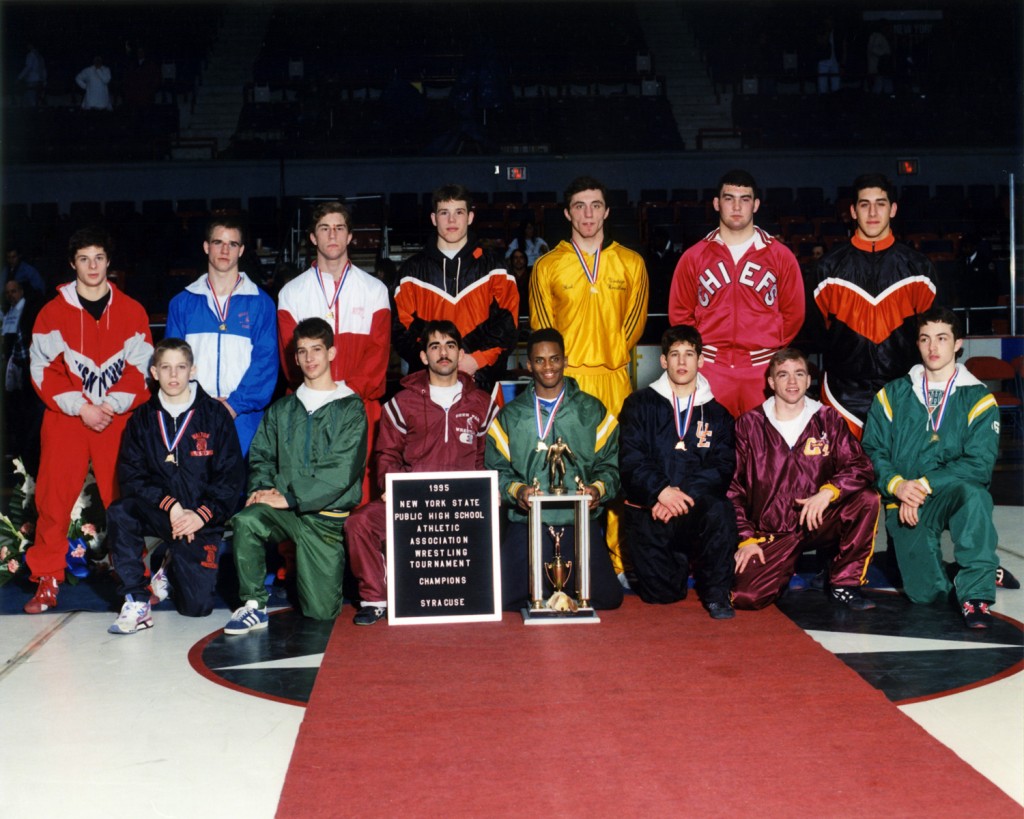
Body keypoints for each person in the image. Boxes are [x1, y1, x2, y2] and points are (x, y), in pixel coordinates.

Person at [23, 227, 153, 613]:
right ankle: (47, 578)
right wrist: (82, 407)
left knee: (124, 500)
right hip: (67, 419)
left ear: (108, 261)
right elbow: (41, 368)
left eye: (98, 257)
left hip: (116, 419)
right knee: (53, 497)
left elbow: (142, 369)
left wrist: (109, 405)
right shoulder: (52, 312)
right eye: (84, 259)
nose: (92, 266)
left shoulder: (132, 310)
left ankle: (133, 574)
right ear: (72, 263)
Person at [529, 175, 649, 580]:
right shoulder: (547, 266)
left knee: (615, 470)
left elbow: (633, 327)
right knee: (559, 471)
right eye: (579, 206)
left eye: (595, 205)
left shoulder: (631, 263)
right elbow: (543, 332)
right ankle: (559, 566)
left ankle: (617, 563)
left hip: (615, 378)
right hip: (567, 382)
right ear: (567, 213)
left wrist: (609, 354)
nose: (587, 214)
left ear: (607, 211)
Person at [344, 320, 498, 625]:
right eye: (435, 346)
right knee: (358, 524)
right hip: (414, 503)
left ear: (460, 353)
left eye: (450, 345)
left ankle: (477, 592)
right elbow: (386, 453)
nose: (443, 352)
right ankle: (375, 598)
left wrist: (492, 493)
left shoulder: (482, 403)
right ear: (424, 356)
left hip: (463, 507)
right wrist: (389, 484)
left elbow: (488, 460)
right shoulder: (402, 403)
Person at [862, 307, 1003, 628]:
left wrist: (923, 485)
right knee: (926, 594)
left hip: (949, 493)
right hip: (904, 501)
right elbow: (872, 450)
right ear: (918, 344)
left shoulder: (979, 399)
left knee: (975, 497)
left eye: (942, 339)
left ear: (957, 344)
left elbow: (978, 466)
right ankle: (961, 571)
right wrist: (897, 486)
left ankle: (977, 595)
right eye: (925, 339)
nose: (933, 348)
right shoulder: (893, 394)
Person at [224, 318, 367, 633]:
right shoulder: (283, 408)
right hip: (285, 513)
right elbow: (261, 455)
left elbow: (341, 471)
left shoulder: (350, 408)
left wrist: (289, 497)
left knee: (321, 614)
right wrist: (260, 489)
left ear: (331, 352)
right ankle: (253, 605)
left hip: (326, 520)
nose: (310, 358)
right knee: (247, 519)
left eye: (317, 349)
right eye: (302, 351)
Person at [106, 339, 245, 634]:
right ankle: (137, 599)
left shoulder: (215, 415)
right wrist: (169, 504)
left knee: (197, 608)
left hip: (199, 517)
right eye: (165, 368)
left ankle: (169, 566)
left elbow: (231, 478)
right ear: (154, 372)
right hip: (160, 511)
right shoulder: (141, 419)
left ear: (192, 370)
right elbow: (131, 476)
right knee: (120, 511)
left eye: (180, 367)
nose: (173, 376)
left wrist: (202, 514)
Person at [729, 347, 879, 611]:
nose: (792, 382)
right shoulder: (748, 424)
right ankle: (782, 569)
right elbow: (732, 488)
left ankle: (844, 582)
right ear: (771, 382)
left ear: (808, 380)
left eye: (799, 374)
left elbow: (861, 465)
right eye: (783, 375)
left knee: (867, 500)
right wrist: (746, 537)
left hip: (817, 521)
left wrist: (829, 491)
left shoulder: (827, 418)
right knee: (746, 598)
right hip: (771, 532)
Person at [485, 328, 623, 612]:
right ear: (528, 364)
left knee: (608, 598)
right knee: (502, 600)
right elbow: (495, 470)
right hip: (528, 522)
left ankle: (560, 593)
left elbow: (612, 466)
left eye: (554, 359)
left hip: (577, 520)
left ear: (566, 360)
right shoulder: (510, 416)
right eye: (539, 360)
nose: (547, 367)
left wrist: (597, 489)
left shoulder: (592, 410)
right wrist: (518, 490)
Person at [618, 325, 737, 618]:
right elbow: (631, 459)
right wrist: (661, 491)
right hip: (652, 509)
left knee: (721, 510)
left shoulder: (719, 414)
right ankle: (677, 565)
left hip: (693, 509)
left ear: (701, 360)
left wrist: (680, 497)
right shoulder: (638, 403)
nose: (682, 363)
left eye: (689, 354)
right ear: (663, 361)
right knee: (662, 596)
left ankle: (717, 594)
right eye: (674, 355)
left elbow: (722, 467)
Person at [668, 169, 804, 418]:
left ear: (756, 204)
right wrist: (699, 354)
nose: (737, 206)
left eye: (745, 199)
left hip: (762, 367)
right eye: (729, 198)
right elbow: (680, 314)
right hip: (711, 366)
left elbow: (794, 313)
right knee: (708, 449)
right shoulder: (694, 256)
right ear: (717, 204)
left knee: (764, 450)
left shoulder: (780, 255)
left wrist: (769, 344)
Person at [811, 173, 937, 438]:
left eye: (880, 203)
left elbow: (933, 336)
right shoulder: (827, 270)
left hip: (902, 393)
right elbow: (816, 334)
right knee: (843, 478)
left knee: (899, 479)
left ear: (892, 209)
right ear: (853, 211)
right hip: (842, 394)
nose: (872, 212)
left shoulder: (919, 269)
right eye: (864, 204)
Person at [277, 202, 389, 491]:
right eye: (324, 229)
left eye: (339, 228)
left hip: (359, 408)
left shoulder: (375, 290)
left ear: (350, 236)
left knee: (359, 497)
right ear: (313, 237)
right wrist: (323, 396)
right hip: (307, 409)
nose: (332, 235)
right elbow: (291, 361)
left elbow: (377, 358)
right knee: (305, 492)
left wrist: (344, 396)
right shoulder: (292, 292)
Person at [166, 216, 277, 456]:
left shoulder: (261, 304)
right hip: (193, 414)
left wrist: (234, 405)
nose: (225, 250)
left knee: (242, 490)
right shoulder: (182, 303)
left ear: (242, 250)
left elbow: (265, 363)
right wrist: (197, 404)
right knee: (193, 491)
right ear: (207, 247)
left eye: (232, 244)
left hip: (243, 418)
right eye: (218, 242)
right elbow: (171, 365)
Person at [393, 183, 519, 392]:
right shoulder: (411, 273)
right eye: (444, 213)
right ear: (434, 219)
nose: (451, 220)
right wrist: (438, 362)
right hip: (428, 385)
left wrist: (477, 360)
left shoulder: (496, 269)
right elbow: (401, 329)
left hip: (481, 382)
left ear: (470, 217)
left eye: (459, 212)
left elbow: (507, 325)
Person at [2, 279, 45, 474]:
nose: (11, 295)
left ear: (21, 291)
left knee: (28, 415)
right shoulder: (9, 313)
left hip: (29, 369)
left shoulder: (28, 311)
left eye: (14, 291)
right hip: (15, 368)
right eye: (8, 292)